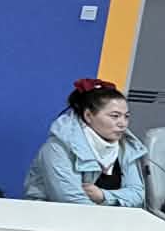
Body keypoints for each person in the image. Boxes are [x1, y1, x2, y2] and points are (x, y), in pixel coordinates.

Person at [25, 78, 149, 206]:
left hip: (107, 216)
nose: (123, 123)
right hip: (54, 215)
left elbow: (138, 195)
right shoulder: (57, 147)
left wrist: (103, 195)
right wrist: (111, 209)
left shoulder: (126, 146)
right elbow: (71, 199)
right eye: (115, 116)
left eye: (126, 116)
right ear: (88, 116)